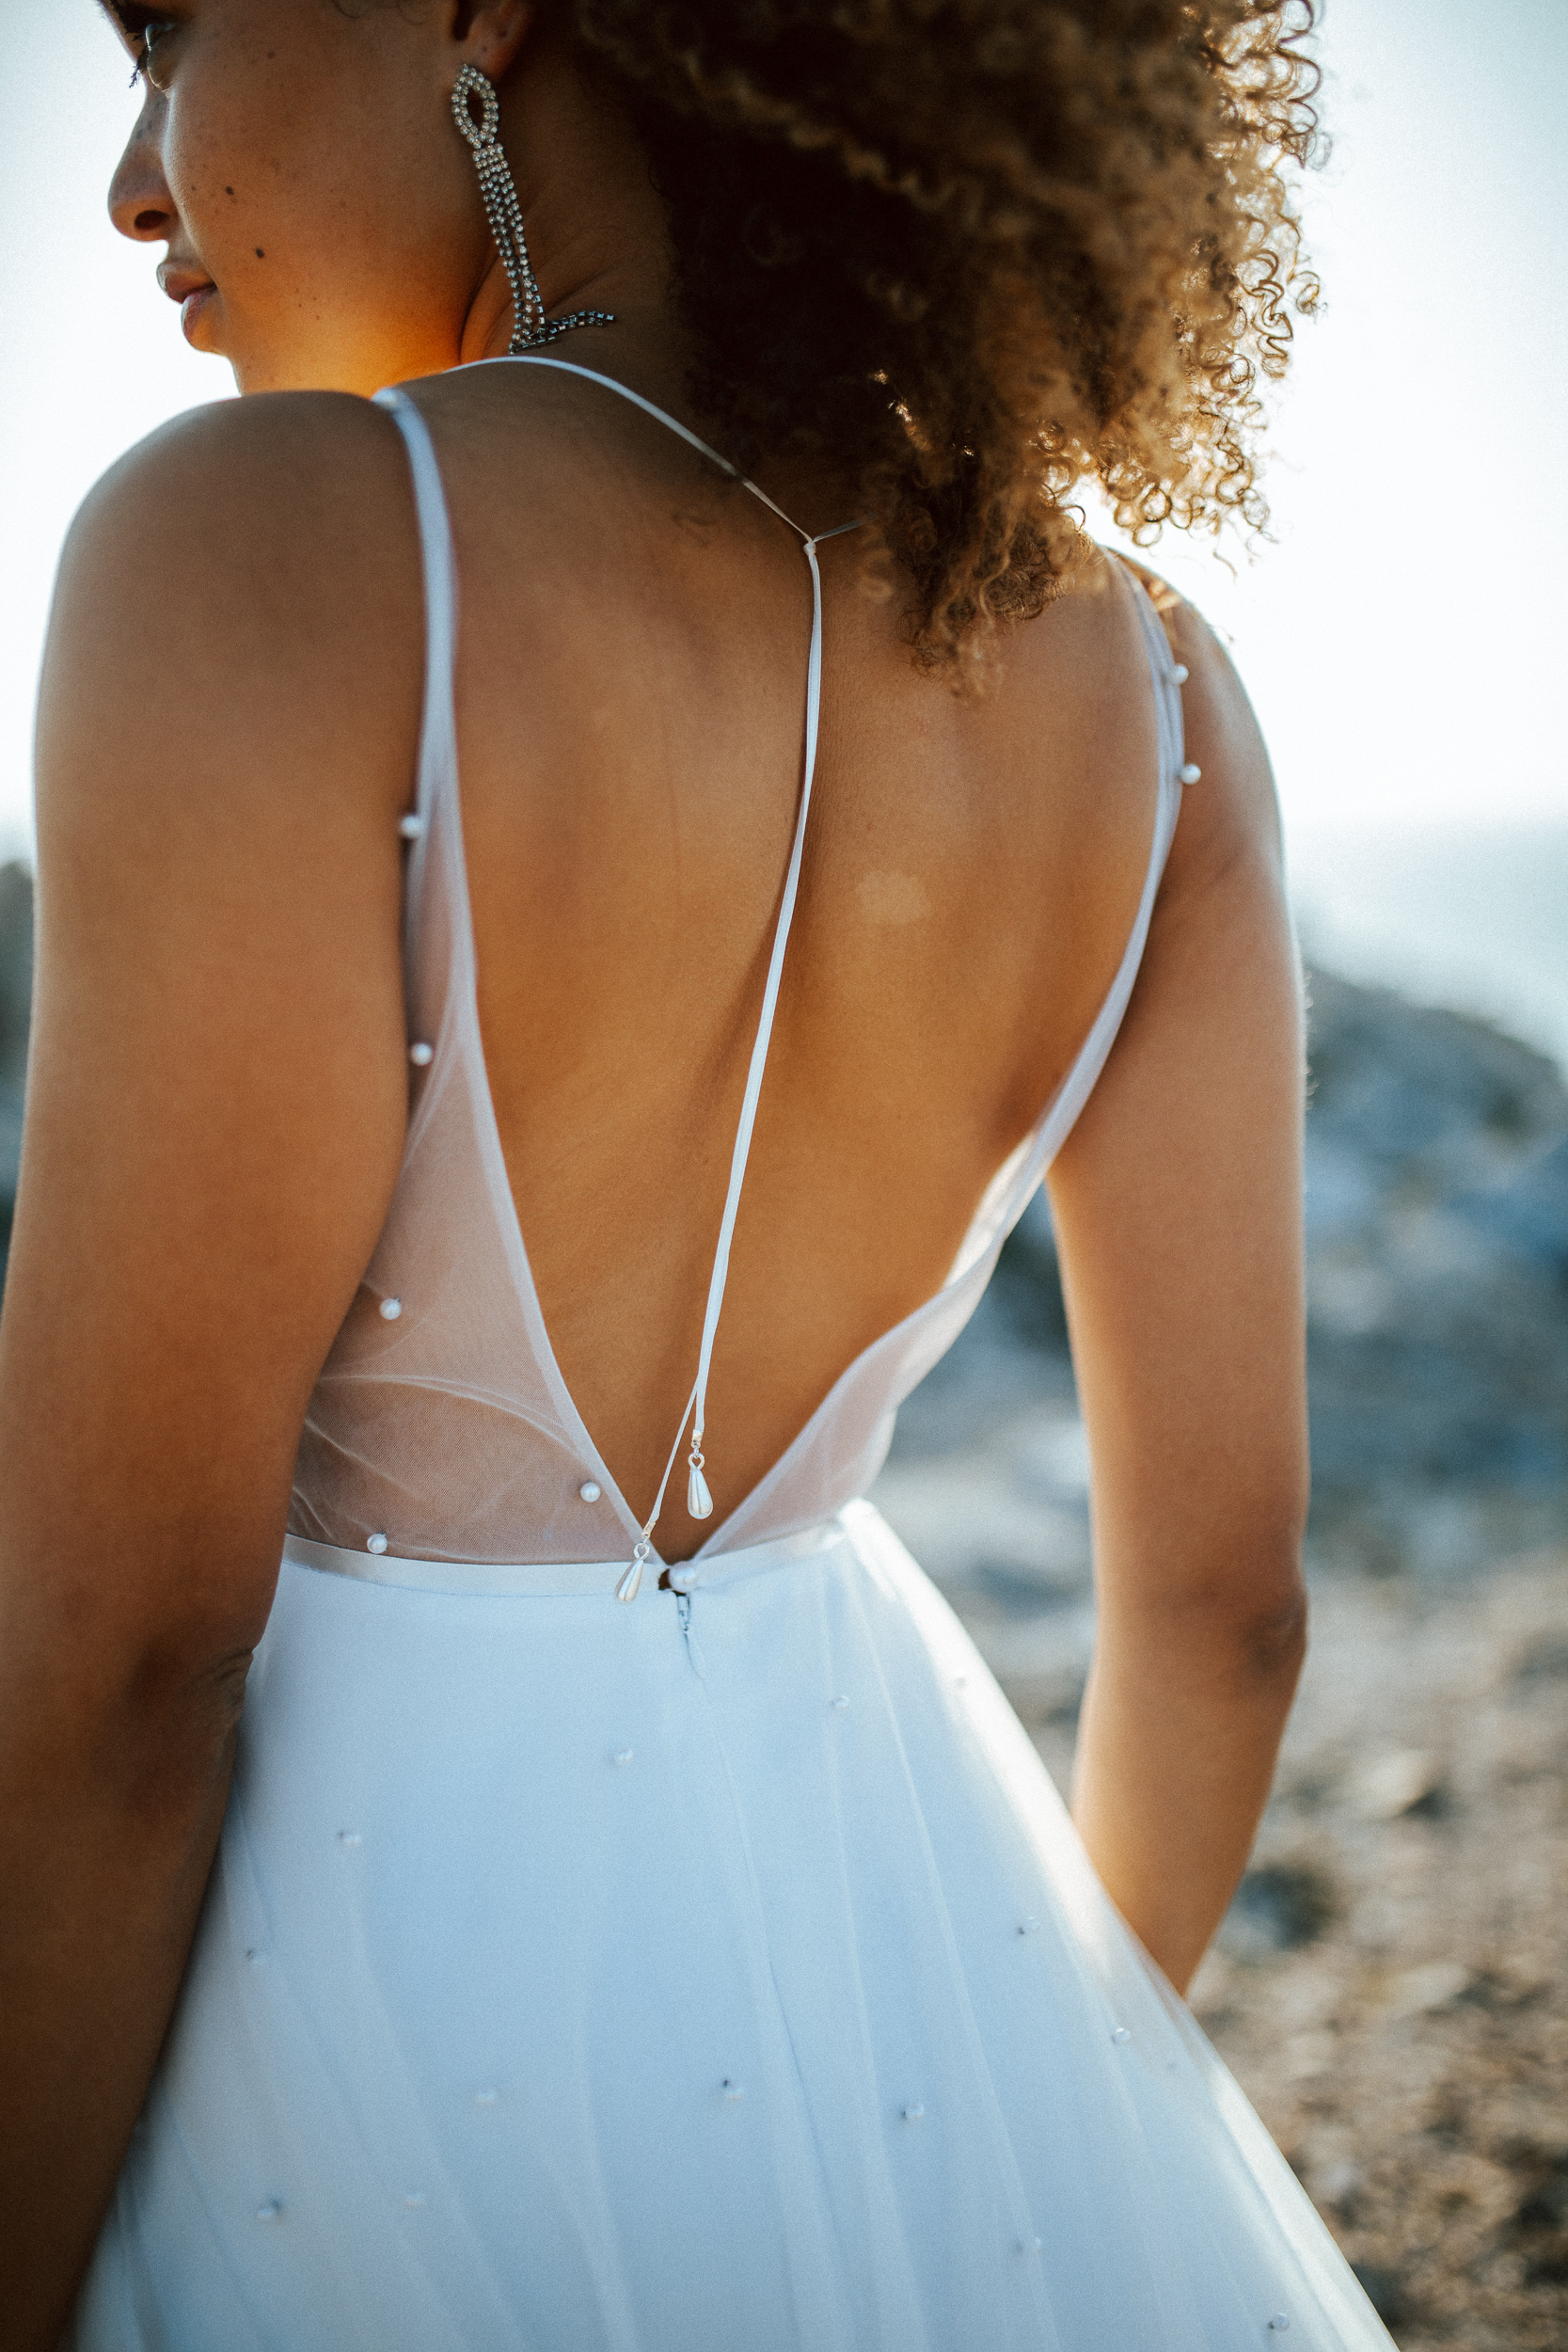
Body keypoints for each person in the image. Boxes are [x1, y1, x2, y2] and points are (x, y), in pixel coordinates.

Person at [0, 1, 1394, 2344]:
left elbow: (119, 1661)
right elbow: (1228, 1607)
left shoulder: (264, 554)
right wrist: (1023, 2118)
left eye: (171, 32)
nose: (138, 180)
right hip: (889, 1899)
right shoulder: (1162, 698)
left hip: (312, 2049)